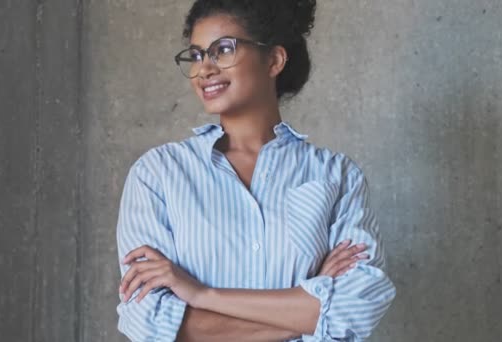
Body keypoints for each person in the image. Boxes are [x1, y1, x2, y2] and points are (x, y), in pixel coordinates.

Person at [115, 1, 396, 341]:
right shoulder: (158, 175)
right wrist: (309, 304)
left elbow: (357, 309)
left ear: (274, 60)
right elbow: (150, 321)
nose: (204, 69)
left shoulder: (337, 177)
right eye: (196, 55)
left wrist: (201, 295)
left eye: (222, 50)